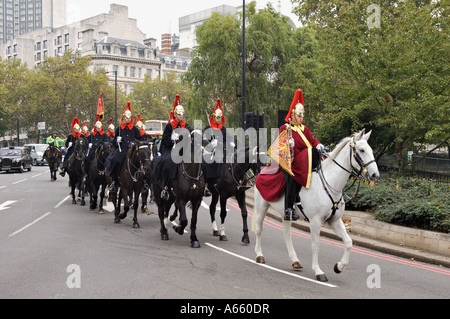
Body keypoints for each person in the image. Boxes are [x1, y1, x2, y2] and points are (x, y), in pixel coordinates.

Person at [255, 89, 324, 221]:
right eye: (299, 115)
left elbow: (312, 140)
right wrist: (288, 144)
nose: (301, 118)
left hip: (303, 162)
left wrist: (318, 144)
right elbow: (280, 146)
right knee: (292, 179)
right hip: (289, 163)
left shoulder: (305, 129)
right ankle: (288, 210)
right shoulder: (285, 128)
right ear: (292, 115)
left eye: (302, 115)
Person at [153, 94, 192, 200]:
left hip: (183, 150)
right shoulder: (170, 126)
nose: (181, 116)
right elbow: (165, 140)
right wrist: (172, 140)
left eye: (182, 114)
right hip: (171, 149)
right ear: (175, 115)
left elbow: (190, 136)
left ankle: (199, 185)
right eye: (179, 114)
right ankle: (165, 187)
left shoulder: (186, 126)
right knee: (167, 161)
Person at [106, 102, 142, 191]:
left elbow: (139, 139)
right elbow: (114, 143)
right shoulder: (119, 129)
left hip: (132, 150)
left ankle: (144, 182)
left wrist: (134, 142)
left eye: (129, 118)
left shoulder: (134, 129)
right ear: (124, 118)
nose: (128, 119)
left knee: (142, 162)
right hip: (122, 150)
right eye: (126, 118)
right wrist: (116, 140)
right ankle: (114, 181)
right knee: (115, 160)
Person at [203, 98, 235, 195]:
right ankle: (207, 185)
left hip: (221, 150)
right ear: (214, 117)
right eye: (217, 117)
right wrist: (211, 144)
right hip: (210, 151)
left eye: (220, 117)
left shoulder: (223, 128)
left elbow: (228, 138)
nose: (219, 119)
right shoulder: (208, 128)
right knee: (209, 162)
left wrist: (231, 143)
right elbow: (204, 140)